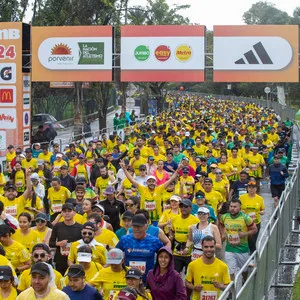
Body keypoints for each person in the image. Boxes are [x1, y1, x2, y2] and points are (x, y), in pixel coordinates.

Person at [116, 214, 163, 284]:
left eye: (139, 226)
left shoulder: (154, 241)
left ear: (146, 227)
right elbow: (115, 256)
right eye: (134, 226)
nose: (137, 229)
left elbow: (165, 256)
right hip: (129, 281)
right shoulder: (125, 239)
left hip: (148, 282)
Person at [219, 198, 257, 280]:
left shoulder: (245, 218)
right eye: (231, 206)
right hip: (229, 249)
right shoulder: (224, 217)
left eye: (235, 207)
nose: (232, 208)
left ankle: (244, 280)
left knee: (244, 270)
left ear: (240, 208)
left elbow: (255, 229)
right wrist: (223, 234)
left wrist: (245, 234)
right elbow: (221, 224)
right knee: (231, 271)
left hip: (242, 249)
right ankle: (232, 291)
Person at [49, 203, 83, 275]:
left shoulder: (80, 227)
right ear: (61, 213)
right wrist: (59, 243)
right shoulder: (57, 226)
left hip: (75, 259)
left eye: (69, 211)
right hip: (60, 259)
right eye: (64, 211)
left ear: (74, 212)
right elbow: (51, 243)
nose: (67, 213)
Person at [169, 199, 199, 274]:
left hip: (190, 253)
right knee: (175, 274)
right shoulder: (175, 219)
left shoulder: (195, 221)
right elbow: (172, 233)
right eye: (181, 206)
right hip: (177, 252)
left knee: (190, 276)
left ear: (191, 208)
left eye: (186, 206)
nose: (183, 208)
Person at [240, 181, 265, 254]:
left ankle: (252, 255)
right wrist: (241, 211)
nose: (251, 189)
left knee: (253, 240)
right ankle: (249, 255)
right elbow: (237, 208)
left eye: (253, 188)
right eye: (249, 188)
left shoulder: (260, 199)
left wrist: (262, 212)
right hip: (245, 223)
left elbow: (263, 210)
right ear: (247, 188)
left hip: (255, 223)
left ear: (256, 189)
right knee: (246, 240)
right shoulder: (242, 197)